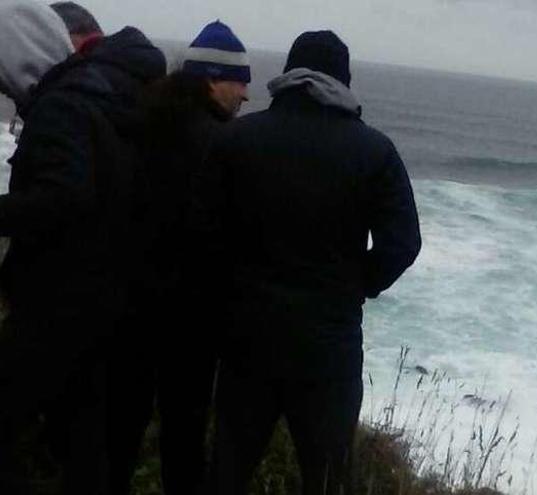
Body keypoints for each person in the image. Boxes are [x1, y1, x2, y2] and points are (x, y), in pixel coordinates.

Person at [201, 30, 421, 495]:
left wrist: (231, 288)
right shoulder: (374, 150)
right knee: (325, 478)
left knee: (228, 469)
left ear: (287, 74)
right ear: (344, 79)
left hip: (247, 337)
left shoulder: (237, 137)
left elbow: (202, 231)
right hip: (328, 345)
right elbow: (403, 243)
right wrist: (357, 283)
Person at [0, 1, 166, 491]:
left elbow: (63, 196)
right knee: (86, 446)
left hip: (61, 302)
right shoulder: (117, 93)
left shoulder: (62, 104)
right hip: (115, 302)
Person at [108, 21, 251, 495]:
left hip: (127, 302)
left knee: (117, 430)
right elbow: (230, 235)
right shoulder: (221, 145)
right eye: (240, 81)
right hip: (192, 316)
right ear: (212, 79)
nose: (246, 94)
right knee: (184, 439)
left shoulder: (136, 123)